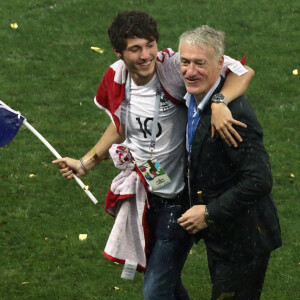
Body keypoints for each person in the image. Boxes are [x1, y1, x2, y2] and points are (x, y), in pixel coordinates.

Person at [53, 11, 254, 300]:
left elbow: (244, 72)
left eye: (150, 44)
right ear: (119, 52)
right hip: (147, 197)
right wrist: (86, 162)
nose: (146, 55)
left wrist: (220, 102)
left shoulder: (173, 66)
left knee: (155, 292)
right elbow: (120, 127)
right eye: (135, 49)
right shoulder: (117, 78)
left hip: (179, 202)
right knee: (167, 284)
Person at [177, 25, 282, 300]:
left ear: (220, 64)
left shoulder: (234, 114)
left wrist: (208, 213)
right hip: (225, 234)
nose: (189, 71)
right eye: (185, 62)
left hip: (244, 238)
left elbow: (259, 180)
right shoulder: (192, 99)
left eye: (199, 63)